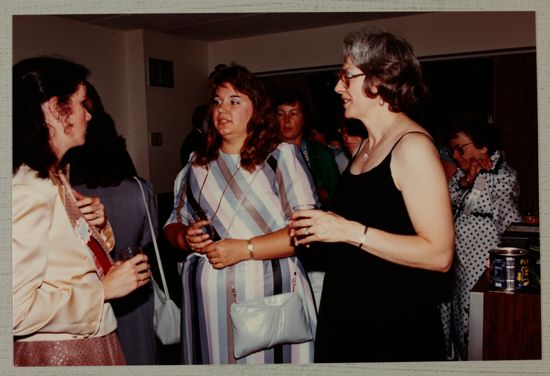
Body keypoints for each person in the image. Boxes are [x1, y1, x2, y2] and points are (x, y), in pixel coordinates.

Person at [289, 28, 455, 362]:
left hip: (392, 322)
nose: (338, 87)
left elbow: (439, 255)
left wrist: (347, 231)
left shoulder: (412, 147)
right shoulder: (366, 143)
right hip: (350, 311)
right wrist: (326, 230)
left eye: (346, 76)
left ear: (378, 80)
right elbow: (372, 221)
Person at [164, 63, 319, 364]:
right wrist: (185, 238)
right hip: (206, 306)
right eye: (218, 101)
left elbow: (306, 231)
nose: (223, 109)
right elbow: (173, 223)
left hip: (267, 299)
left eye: (235, 101)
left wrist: (244, 249)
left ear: (256, 110)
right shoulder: (197, 164)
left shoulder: (280, 156)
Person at [12, 56, 151, 366]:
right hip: (60, 352)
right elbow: (14, 311)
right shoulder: (26, 189)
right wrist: (101, 292)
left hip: (91, 336)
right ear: (54, 108)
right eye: (80, 104)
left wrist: (99, 225)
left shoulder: (56, 174)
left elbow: (68, 258)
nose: (89, 115)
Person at [62, 82, 158, 365]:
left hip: (86, 288)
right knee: (139, 353)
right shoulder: (140, 188)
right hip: (133, 281)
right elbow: (150, 238)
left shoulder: (73, 192)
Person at [439, 112, 521, 360]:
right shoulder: (466, 175)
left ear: (483, 145)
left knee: (473, 333)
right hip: (459, 266)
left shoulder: (502, 175)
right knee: (456, 327)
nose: (455, 156)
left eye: (460, 149)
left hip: (481, 271)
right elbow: (447, 199)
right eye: (452, 150)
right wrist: (467, 180)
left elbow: (511, 225)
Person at [274, 90, 340, 208]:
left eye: (293, 114)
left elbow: (340, 196)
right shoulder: (265, 154)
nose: (286, 120)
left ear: (304, 118)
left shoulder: (323, 154)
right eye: (280, 114)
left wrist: (324, 194)